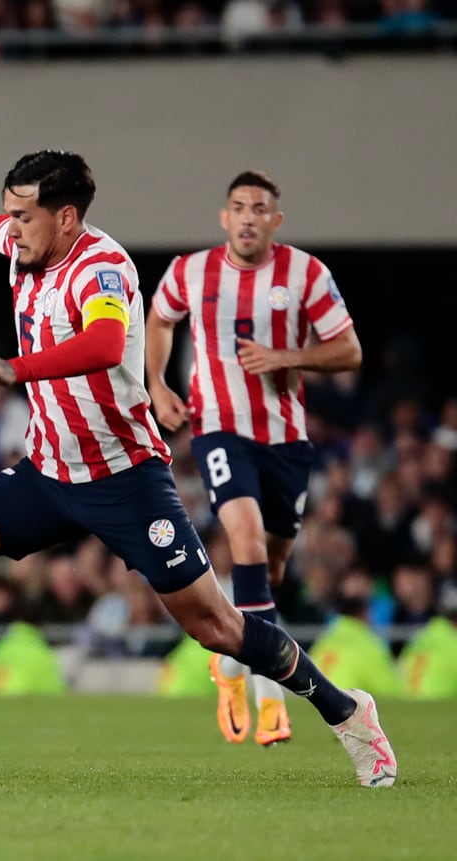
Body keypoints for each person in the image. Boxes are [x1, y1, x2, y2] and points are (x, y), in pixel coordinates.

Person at [0, 150, 396, 788]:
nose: (11, 229)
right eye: (10, 213)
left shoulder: (103, 267)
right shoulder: (23, 240)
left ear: (66, 219)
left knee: (220, 628)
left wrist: (15, 366)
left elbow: (106, 343)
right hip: (49, 472)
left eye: (24, 217)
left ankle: (348, 711)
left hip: (125, 480)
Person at [146, 170, 364, 747]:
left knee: (269, 570)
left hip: (286, 440)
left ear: (275, 220)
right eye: (238, 206)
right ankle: (271, 697)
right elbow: (160, 318)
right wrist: (159, 384)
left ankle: (232, 662)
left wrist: (285, 356)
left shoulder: (306, 274)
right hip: (219, 429)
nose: (247, 216)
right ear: (224, 217)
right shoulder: (192, 271)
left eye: (259, 208)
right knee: (244, 544)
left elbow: (349, 350)